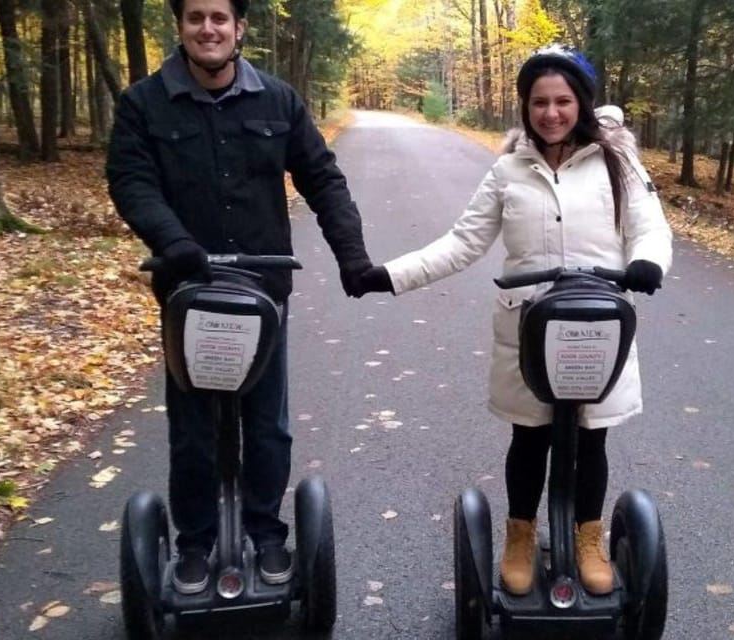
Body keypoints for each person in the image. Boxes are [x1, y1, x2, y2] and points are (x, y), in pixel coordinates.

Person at [357, 45, 672, 596]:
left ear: (583, 104)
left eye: (563, 101)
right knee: (529, 438)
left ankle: (588, 535)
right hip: (528, 328)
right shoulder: (508, 170)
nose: (551, 113)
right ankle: (520, 534)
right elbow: (462, 242)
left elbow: (650, 226)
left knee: (591, 439)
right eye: (539, 102)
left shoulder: (618, 163)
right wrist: (389, 275)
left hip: (597, 325)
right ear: (525, 106)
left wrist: (647, 261)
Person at [106, 0, 372, 595]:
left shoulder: (277, 101)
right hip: (188, 295)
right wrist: (173, 240)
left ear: (239, 28)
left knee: (268, 425)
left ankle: (267, 531)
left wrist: (351, 256)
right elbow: (131, 180)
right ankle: (195, 542)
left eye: (219, 18)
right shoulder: (143, 104)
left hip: (262, 292)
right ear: (181, 26)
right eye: (196, 16)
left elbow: (323, 178)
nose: (208, 29)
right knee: (195, 428)